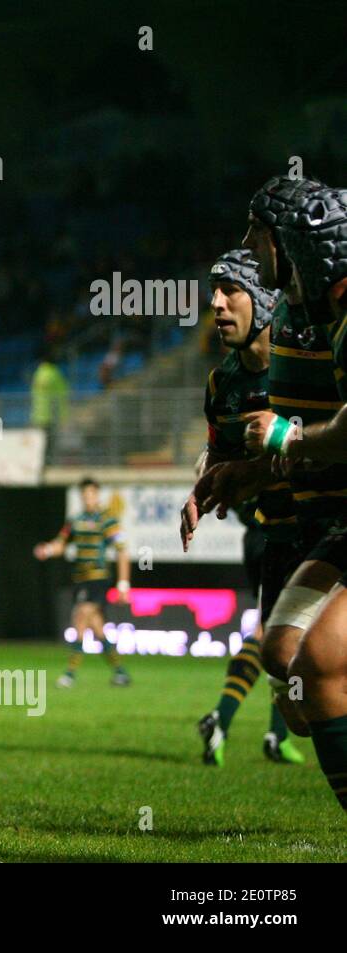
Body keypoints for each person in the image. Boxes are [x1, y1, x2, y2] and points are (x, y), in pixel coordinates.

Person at [238, 183, 347, 810]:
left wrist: (291, 437)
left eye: (259, 236)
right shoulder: (319, 317)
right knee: (287, 653)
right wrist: (246, 474)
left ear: (294, 243)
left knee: (319, 669)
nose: (252, 252)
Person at [181, 249, 303, 766]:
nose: (216, 303)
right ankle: (274, 730)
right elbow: (224, 460)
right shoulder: (222, 385)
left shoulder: (312, 360)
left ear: (265, 299)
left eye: (230, 290)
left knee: (311, 676)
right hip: (277, 538)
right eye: (214, 291)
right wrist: (204, 490)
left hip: (331, 529)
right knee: (291, 680)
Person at [34, 478, 131, 688]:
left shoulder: (108, 519)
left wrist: (123, 583)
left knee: (80, 617)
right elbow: (61, 544)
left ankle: (70, 673)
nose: (88, 499)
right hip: (80, 580)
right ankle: (120, 672)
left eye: (91, 495)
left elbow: (122, 550)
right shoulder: (76, 520)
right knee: (96, 628)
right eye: (85, 495)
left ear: (97, 495)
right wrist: (48, 550)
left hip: (98, 579)